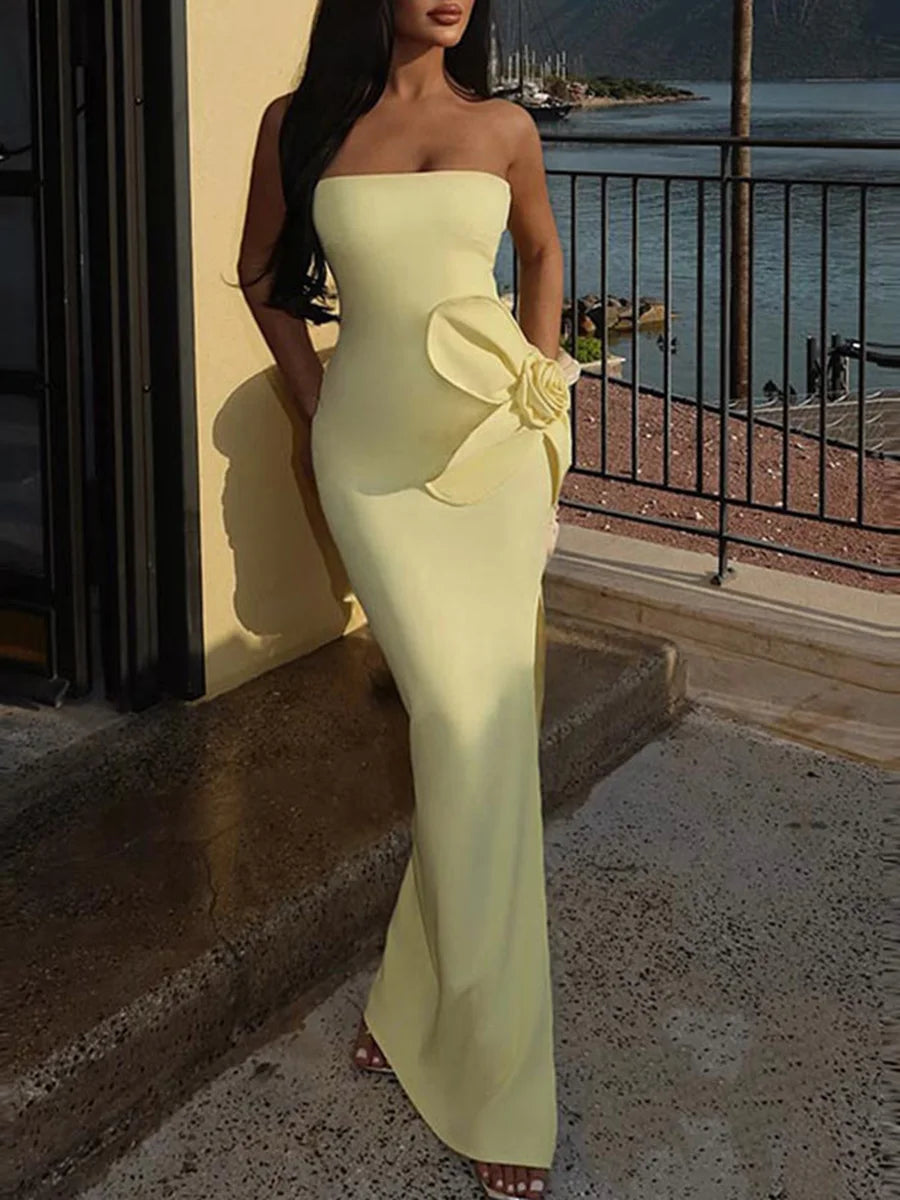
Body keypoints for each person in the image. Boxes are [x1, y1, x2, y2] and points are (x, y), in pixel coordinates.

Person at [237, 2, 573, 1195]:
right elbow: (261, 276)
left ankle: (456, 1037)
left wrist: (540, 397)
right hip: (374, 465)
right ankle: (468, 1049)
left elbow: (539, 257)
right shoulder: (300, 124)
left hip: (494, 453)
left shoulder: (505, 127)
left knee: (479, 740)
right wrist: (315, 401)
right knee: (461, 729)